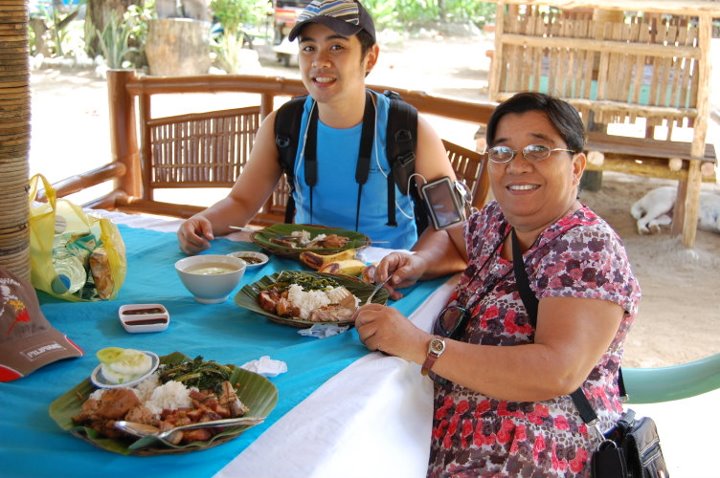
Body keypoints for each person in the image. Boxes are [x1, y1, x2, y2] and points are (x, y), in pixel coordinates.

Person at [354, 92, 641, 476]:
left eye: (538, 149)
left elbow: (557, 371)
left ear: (576, 167)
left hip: (530, 451)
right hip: (447, 430)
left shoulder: (588, 247)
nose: (517, 165)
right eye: (503, 152)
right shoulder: (499, 222)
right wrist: (420, 262)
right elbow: (456, 239)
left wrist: (420, 346)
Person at [177, 0, 456, 254]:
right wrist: (202, 221)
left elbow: (451, 221)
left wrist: (418, 263)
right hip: (303, 272)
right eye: (309, 48)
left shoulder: (408, 130)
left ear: (370, 57)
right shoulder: (283, 125)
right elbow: (241, 202)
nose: (319, 62)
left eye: (337, 47)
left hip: (388, 277)